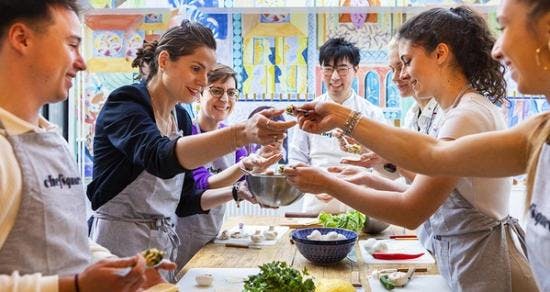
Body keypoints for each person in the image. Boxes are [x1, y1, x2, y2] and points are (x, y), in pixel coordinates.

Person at [293, 1, 550, 289]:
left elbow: (413, 205)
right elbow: (431, 156)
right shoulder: (488, 117)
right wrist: (345, 125)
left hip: (490, 272)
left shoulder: (469, 114)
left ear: (440, 54)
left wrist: (329, 178)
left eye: (406, 62)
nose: (402, 75)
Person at [87, 20, 295, 281]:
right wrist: (240, 135)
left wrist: (235, 191)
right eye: (195, 68)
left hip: (161, 248)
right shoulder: (126, 103)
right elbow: (158, 156)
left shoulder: (180, 119)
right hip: (118, 247)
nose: (202, 81)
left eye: (206, 72)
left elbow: (187, 201)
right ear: (164, 60)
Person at [0, 0, 176, 291]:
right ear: (22, 39)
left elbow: (70, 241)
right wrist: (75, 286)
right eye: (72, 45)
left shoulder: (52, 140)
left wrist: (119, 266)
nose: (82, 62)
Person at [175, 64, 282, 268]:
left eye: (231, 92)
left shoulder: (234, 137)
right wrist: (246, 164)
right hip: (184, 233)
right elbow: (202, 184)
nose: (224, 99)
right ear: (199, 95)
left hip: (213, 231)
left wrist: (262, 158)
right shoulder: (188, 135)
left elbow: (243, 183)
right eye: (216, 90)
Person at [288, 37, 388, 214]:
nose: (334, 77)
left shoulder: (371, 113)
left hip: (359, 197)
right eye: (328, 69)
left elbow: (384, 161)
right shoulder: (308, 112)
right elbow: (296, 159)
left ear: (355, 70)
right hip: (318, 199)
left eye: (342, 69)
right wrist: (314, 185)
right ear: (321, 71)